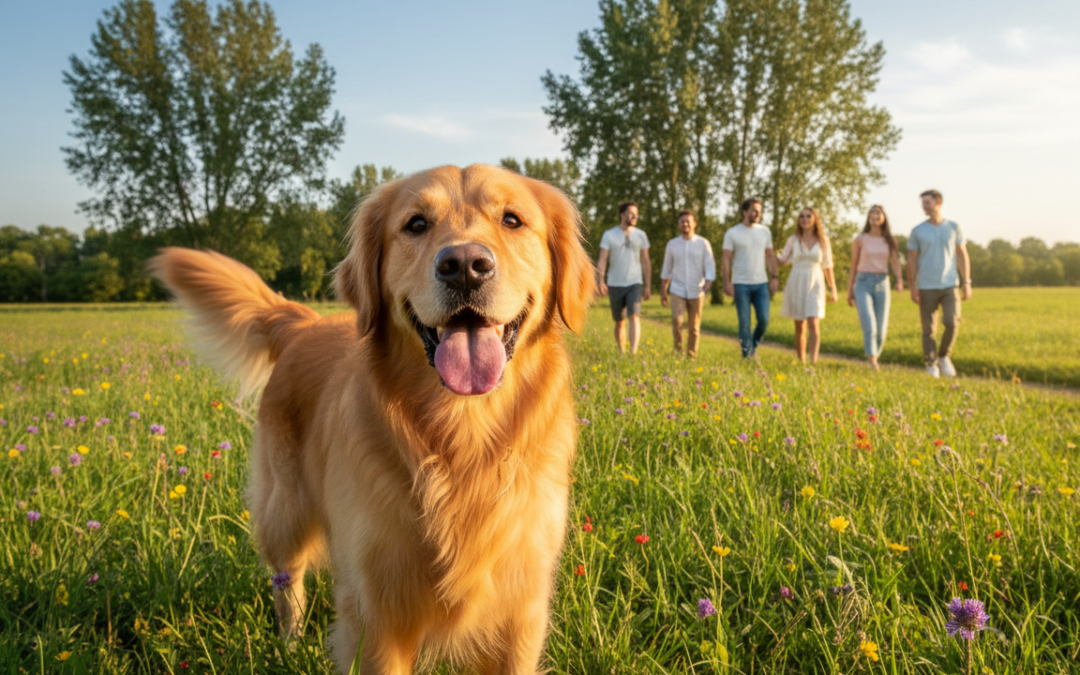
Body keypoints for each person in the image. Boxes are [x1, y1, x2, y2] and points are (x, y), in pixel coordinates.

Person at [906, 189, 971, 378]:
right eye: (922, 203)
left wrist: (966, 281)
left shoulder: (953, 227)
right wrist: (913, 287)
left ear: (938, 202)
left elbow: (962, 255)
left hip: (950, 284)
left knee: (952, 321)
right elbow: (911, 260)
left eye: (927, 202)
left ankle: (943, 357)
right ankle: (931, 363)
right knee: (928, 329)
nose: (924, 206)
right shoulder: (918, 231)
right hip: (926, 286)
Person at [776, 208, 838, 364]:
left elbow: (828, 265)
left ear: (815, 219)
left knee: (814, 322)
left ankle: (813, 361)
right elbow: (784, 259)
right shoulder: (793, 240)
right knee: (799, 324)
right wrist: (772, 256)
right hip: (797, 280)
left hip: (816, 281)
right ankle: (801, 360)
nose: (805, 219)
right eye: (802, 216)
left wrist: (833, 289)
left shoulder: (823, 240)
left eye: (808, 216)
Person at [847, 205, 904, 370]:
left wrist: (899, 279)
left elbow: (895, 262)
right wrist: (850, 290)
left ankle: (874, 356)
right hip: (863, 282)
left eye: (878, 213)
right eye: (872, 213)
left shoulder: (890, 240)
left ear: (883, 217)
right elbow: (854, 265)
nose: (875, 216)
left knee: (881, 328)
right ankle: (872, 360)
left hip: (882, 283)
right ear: (868, 218)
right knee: (869, 324)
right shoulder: (860, 239)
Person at [722, 198, 779, 358]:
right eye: (754, 210)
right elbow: (726, 258)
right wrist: (727, 282)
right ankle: (748, 356)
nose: (757, 214)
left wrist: (774, 276)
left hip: (761, 284)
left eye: (759, 211)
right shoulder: (732, 233)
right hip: (741, 284)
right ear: (745, 212)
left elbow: (770, 255)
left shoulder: (764, 231)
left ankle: (752, 346)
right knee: (744, 323)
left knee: (764, 320)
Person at [597, 201, 651, 354]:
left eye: (636, 214)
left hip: (635, 282)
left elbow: (646, 261)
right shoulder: (609, 235)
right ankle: (622, 351)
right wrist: (600, 281)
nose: (634, 216)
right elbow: (602, 260)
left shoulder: (641, 235)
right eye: (631, 213)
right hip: (615, 283)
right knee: (619, 321)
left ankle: (633, 352)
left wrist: (648, 285)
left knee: (634, 315)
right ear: (622, 214)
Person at [660, 210, 716, 359]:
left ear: (694, 224)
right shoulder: (672, 245)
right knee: (677, 322)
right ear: (678, 224)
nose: (685, 224)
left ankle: (691, 355)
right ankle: (678, 352)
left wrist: (708, 282)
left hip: (697, 290)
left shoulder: (703, 243)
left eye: (688, 221)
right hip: (677, 289)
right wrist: (663, 291)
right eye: (682, 221)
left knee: (694, 327)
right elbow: (666, 269)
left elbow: (709, 264)